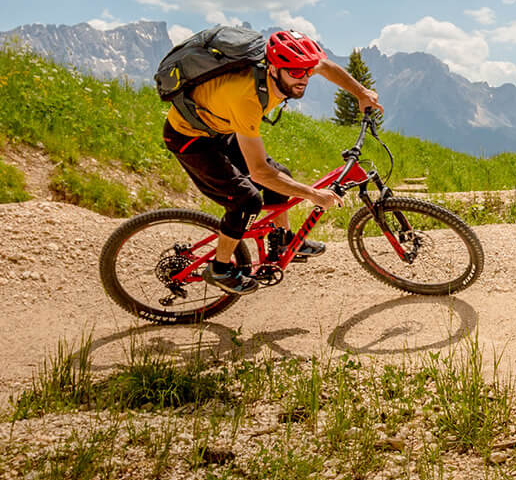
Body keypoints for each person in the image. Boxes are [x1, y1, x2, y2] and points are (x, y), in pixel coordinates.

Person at [162, 29, 381, 292]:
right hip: (190, 139)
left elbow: (325, 66)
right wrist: (313, 195)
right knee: (247, 201)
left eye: (306, 72)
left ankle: (285, 241)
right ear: (274, 69)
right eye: (296, 73)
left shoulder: (290, 66)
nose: (304, 79)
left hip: (219, 128)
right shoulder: (247, 98)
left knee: (282, 174)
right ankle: (219, 269)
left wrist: (361, 92)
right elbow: (259, 172)